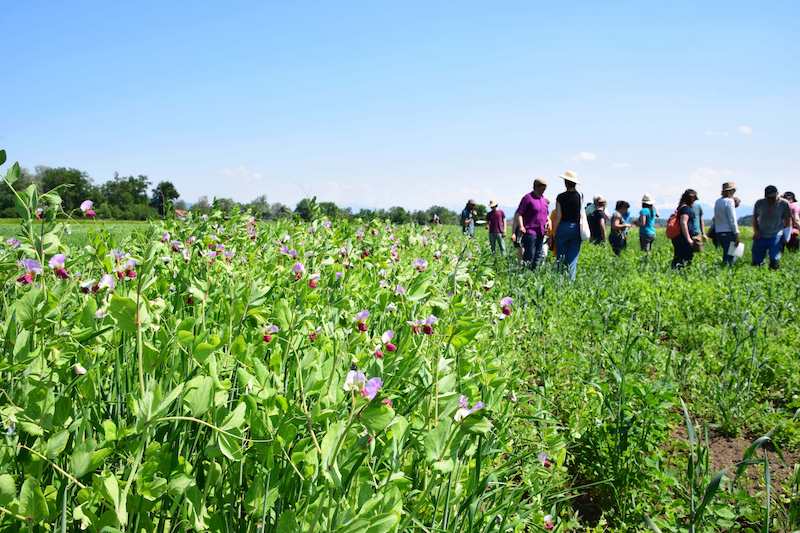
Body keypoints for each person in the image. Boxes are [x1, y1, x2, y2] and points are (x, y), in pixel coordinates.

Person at [552, 170, 583, 280]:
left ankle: (560, 281)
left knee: (560, 258)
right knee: (573, 258)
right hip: (576, 228)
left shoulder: (560, 197)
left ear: (565, 182)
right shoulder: (579, 196)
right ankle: (570, 282)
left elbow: (558, 216)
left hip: (563, 227)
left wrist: (554, 232)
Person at [752, 185, 791, 269]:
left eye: (773, 197)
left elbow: (788, 220)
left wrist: (787, 236)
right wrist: (756, 231)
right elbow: (754, 218)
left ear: (777, 194)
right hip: (761, 234)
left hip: (776, 235)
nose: (771, 200)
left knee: (774, 260)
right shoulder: (759, 203)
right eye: (768, 198)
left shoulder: (784, 203)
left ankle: (773, 272)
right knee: (756, 262)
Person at [515, 178, 550, 268]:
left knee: (538, 256)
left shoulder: (544, 200)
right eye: (542, 188)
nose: (544, 190)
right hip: (530, 231)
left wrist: (548, 222)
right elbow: (519, 213)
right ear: (536, 187)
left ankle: (534, 273)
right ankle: (526, 272)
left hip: (541, 232)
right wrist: (521, 226)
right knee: (530, 254)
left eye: (545, 188)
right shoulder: (528, 198)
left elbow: (546, 215)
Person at [671, 189, 701, 269]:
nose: (694, 201)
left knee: (678, 257)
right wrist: (689, 239)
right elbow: (683, 223)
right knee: (685, 258)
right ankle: (681, 273)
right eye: (694, 199)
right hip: (683, 239)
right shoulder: (686, 209)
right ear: (691, 199)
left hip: (679, 237)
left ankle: (674, 272)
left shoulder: (681, 207)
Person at [712, 182, 739, 266]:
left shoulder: (718, 201)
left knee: (726, 254)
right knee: (732, 256)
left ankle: (724, 269)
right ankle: (727, 270)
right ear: (730, 191)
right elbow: (732, 219)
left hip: (719, 232)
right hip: (729, 232)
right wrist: (737, 233)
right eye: (733, 191)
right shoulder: (730, 201)